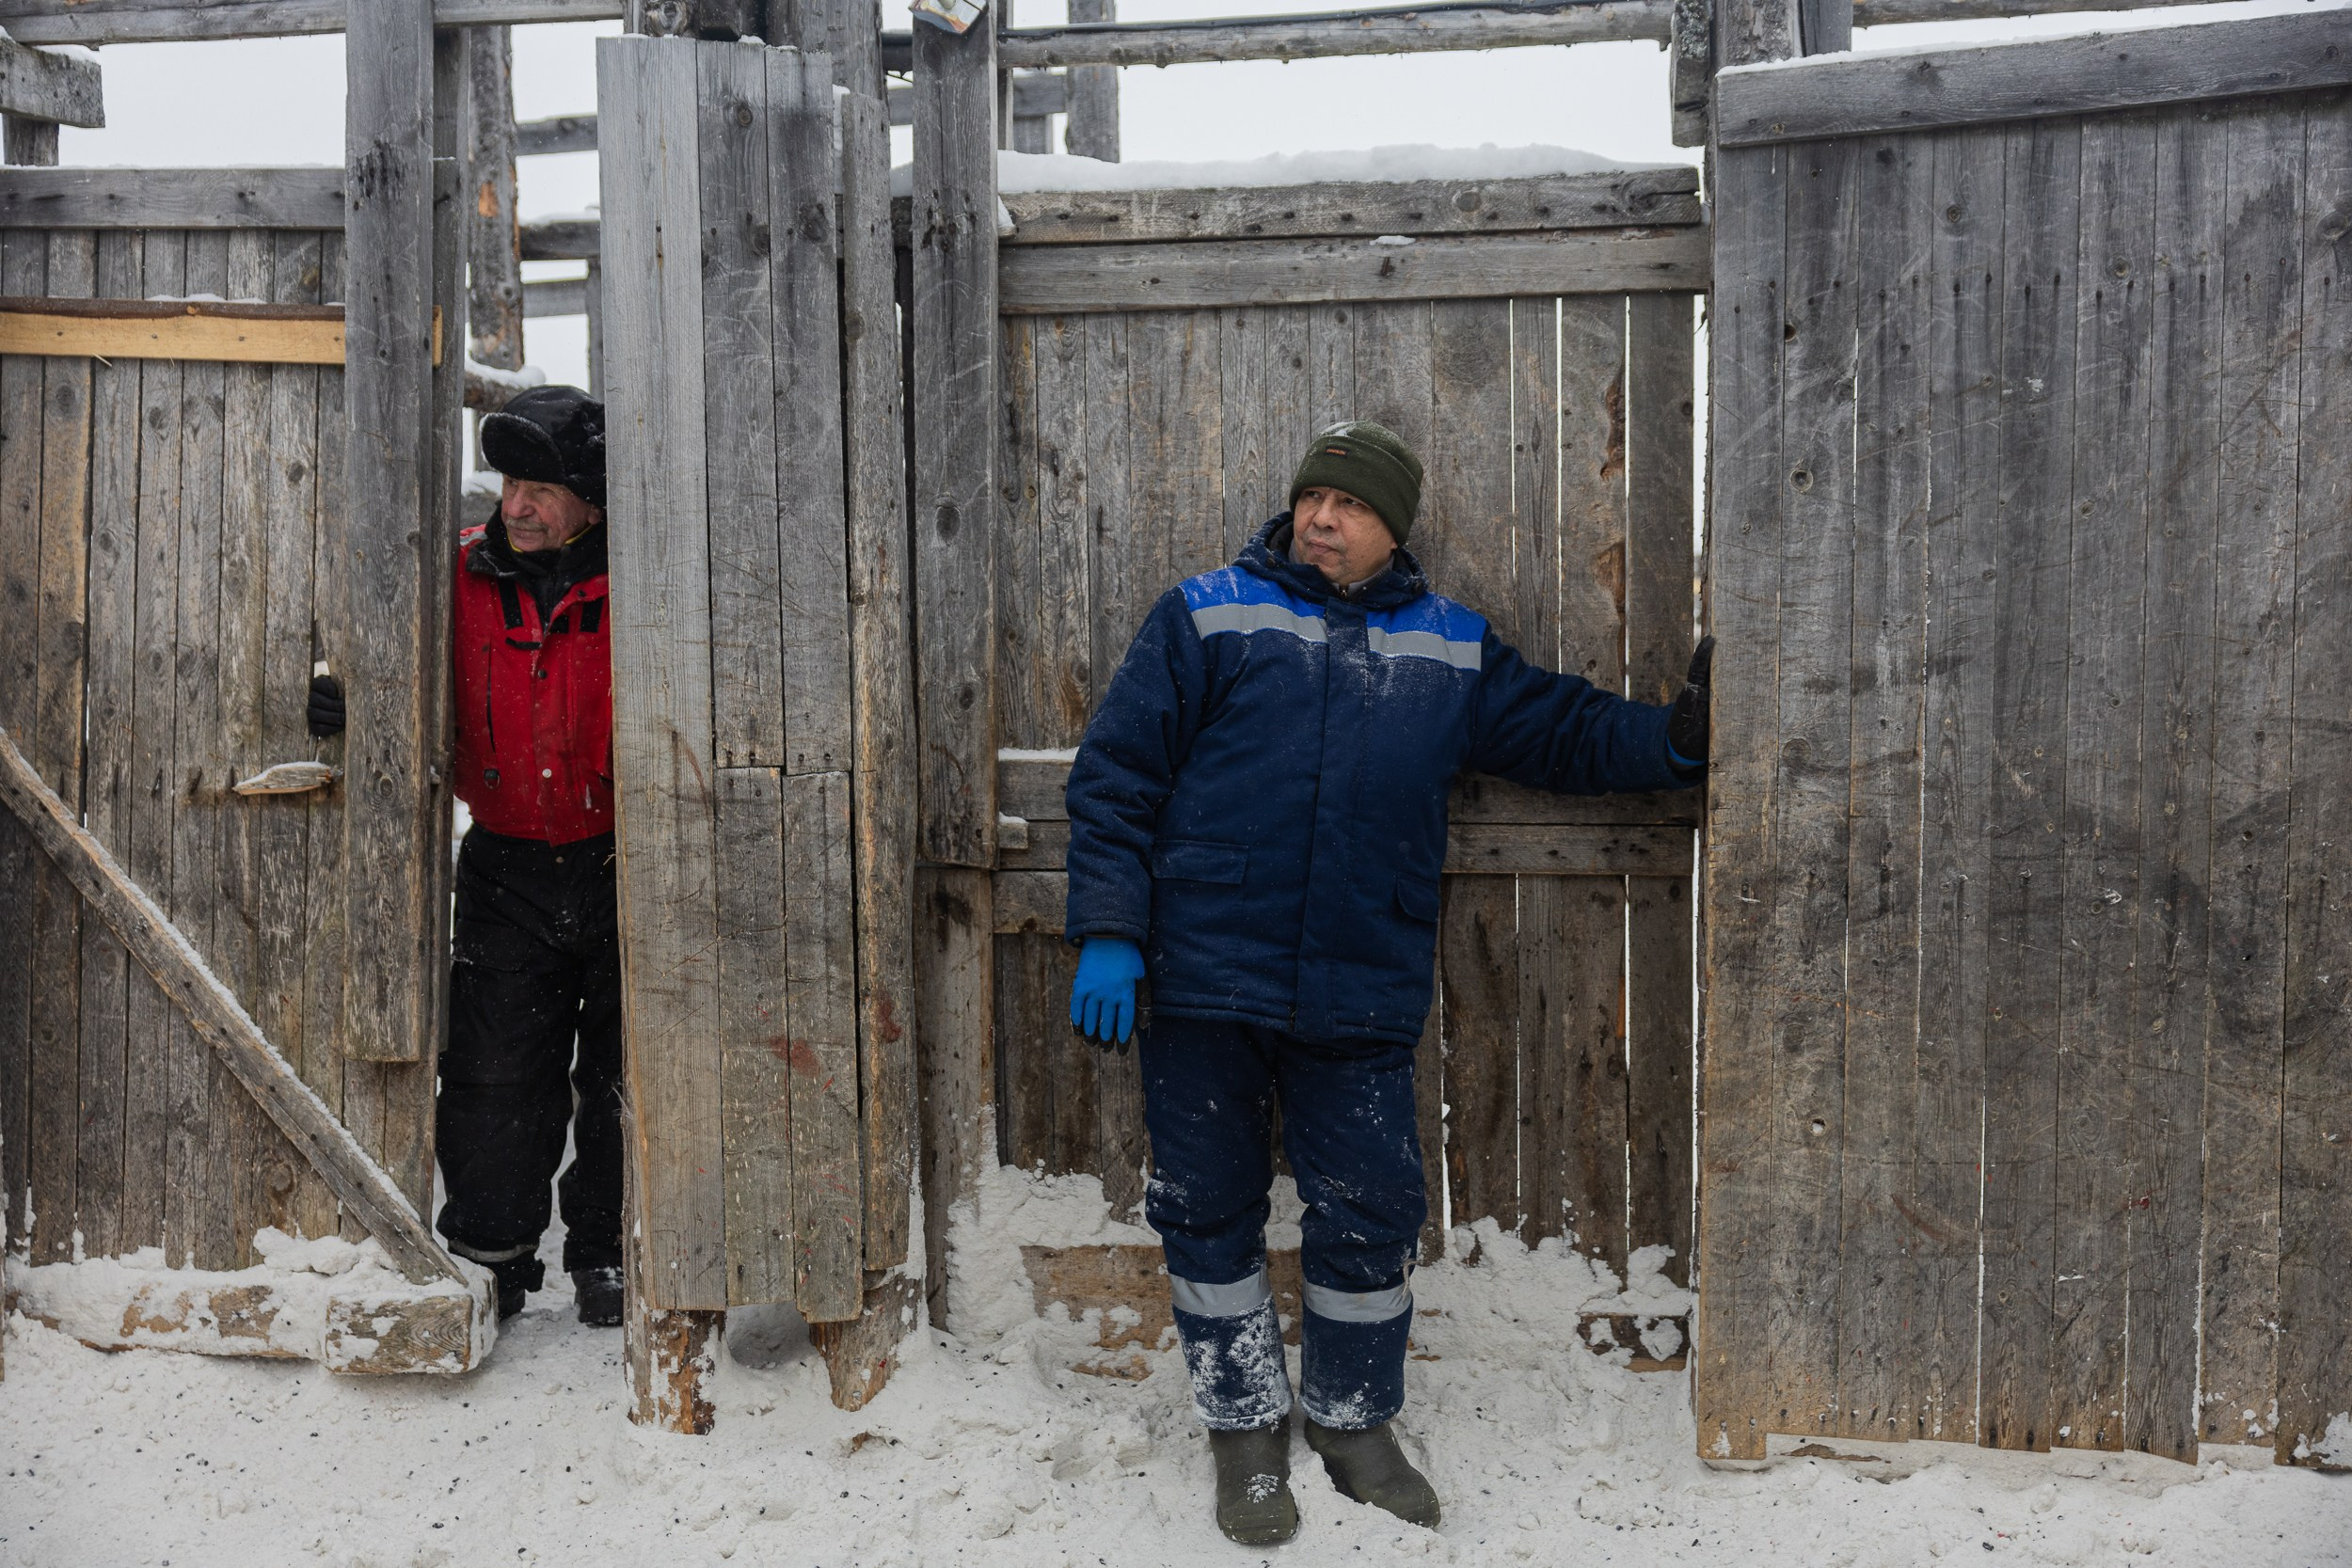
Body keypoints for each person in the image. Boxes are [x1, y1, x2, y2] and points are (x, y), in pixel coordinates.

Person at [1061, 420, 1710, 1545]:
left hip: (1359, 981)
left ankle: (1354, 1419)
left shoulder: (1448, 646)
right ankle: (1243, 1426)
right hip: (1206, 973)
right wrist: (1111, 930)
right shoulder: (1207, 611)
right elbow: (1116, 776)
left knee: (1369, 1211)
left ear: (1392, 526)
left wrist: (1675, 745)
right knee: (1206, 1208)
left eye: (1350, 504)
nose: (1322, 516)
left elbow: (1559, 729)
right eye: (1311, 496)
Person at [308, 386, 624, 1326]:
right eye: (507, 483)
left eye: (538, 486)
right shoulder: (459, 580)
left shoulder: (649, 583)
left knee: (624, 1072)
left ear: (591, 498)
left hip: (629, 860)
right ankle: (493, 1250)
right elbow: (401, 682)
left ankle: (612, 1252)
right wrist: (352, 704)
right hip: (506, 864)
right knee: (494, 1068)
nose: (514, 505)